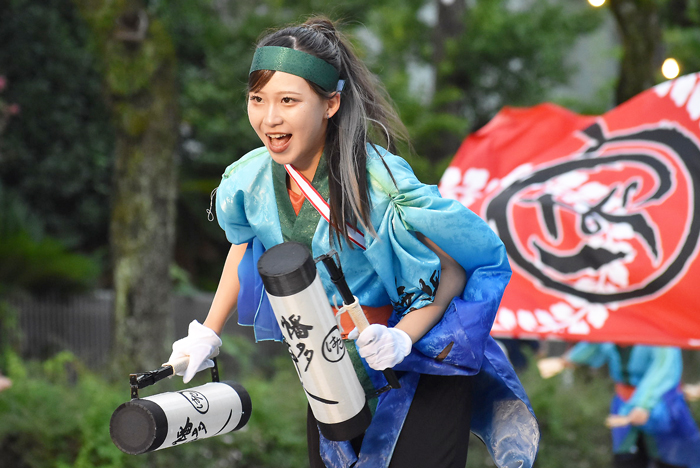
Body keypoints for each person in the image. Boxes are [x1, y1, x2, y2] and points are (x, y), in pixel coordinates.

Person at [167, 16, 539, 468]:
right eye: (257, 99)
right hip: (329, 369)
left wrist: (401, 338)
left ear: (330, 104)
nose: (269, 118)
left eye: (288, 100)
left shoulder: (381, 182)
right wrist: (209, 331)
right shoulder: (247, 178)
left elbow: (451, 271)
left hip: (414, 362)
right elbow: (244, 245)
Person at [539, 343, 700, 468]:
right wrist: (565, 360)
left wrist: (644, 404)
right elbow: (595, 343)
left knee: (673, 458)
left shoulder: (657, 333)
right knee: (626, 458)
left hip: (662, 406)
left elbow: (663, 369)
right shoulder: (613, 328)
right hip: (624, 404)